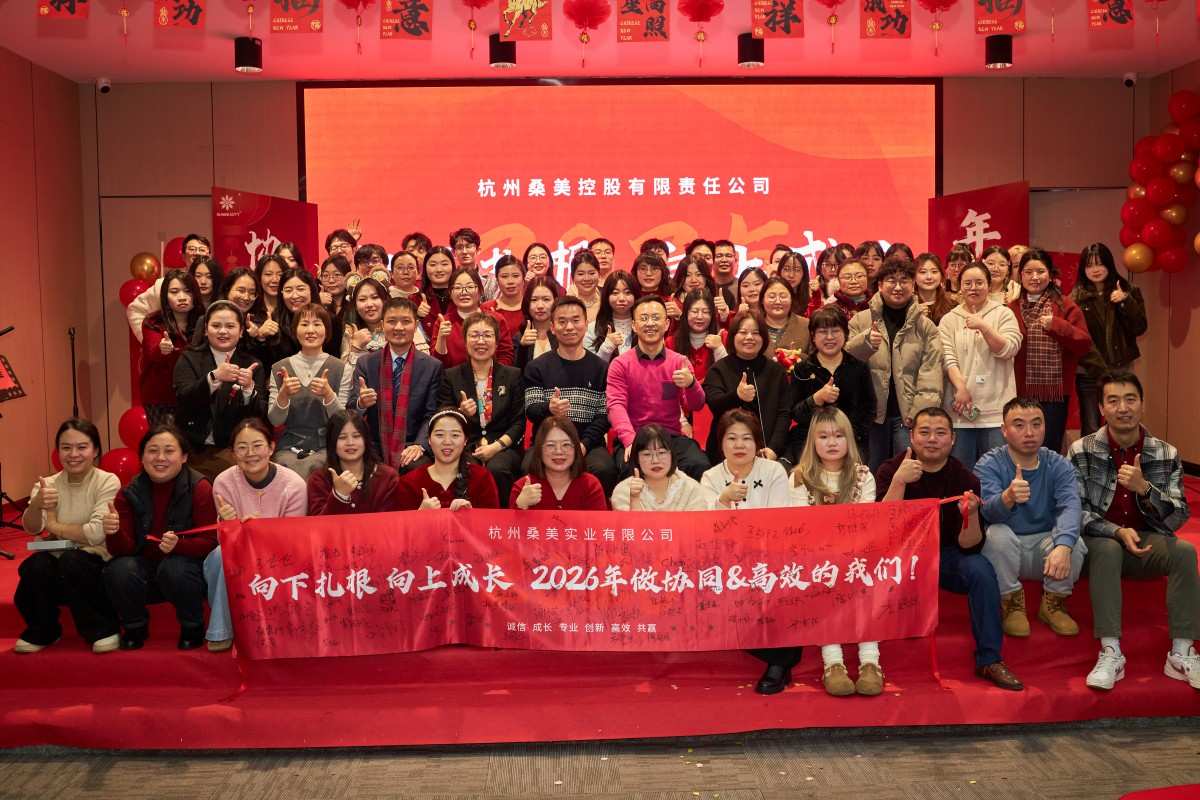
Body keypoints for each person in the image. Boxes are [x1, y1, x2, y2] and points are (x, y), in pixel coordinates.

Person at [1068, 371, 1199, 691]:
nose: (1123, 408)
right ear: (1101, 408)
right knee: (1109, 548)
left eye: (1130, 399)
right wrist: (1115, 531)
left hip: (1146, 543)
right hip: (1098, 546)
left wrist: (1145, 490)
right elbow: (1073, 511)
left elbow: (1178, 517)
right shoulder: (1081, 450)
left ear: (1142, 404)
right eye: (1113, 401)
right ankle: (1111, 652)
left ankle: (1181, 653)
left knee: (1184, 552)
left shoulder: (1166, 452)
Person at [877, 407, 1024, 690]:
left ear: (953, 439)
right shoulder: (891, 469)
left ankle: (990, 659)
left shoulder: (965, 479)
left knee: (980, 569)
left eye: (940, 433)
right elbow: (882, 531)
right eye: (924, 432)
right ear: (911, 436)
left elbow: (970, 546)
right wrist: (898, 482)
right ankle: (873, 660)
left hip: (947, 556)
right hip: (901, 558)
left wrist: (971, 516)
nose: (932, 439)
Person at [790, 407, 882, 697]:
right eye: (824, 436)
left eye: (839, 435)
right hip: (816, 557)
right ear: (812, 441)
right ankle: (833, 663)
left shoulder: (863, 476)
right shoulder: (799, 477)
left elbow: (865, 523)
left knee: (866, 579)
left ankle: (870, 661)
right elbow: (800, 526)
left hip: (855, 555)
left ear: (849, 439)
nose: (832, 442)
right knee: (823, 579)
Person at [976, 398, 1086, 638]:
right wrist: (1007, 497)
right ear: (1004, 430)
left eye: (1036, 424)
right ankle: (1011, 604)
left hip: (1044, 552)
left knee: (1074, 543)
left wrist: (1063, 546)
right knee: (995, 534)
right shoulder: (989, 464)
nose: (1029, 433)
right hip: (1005, 553)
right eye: (1019, 425)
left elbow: (1070, 507)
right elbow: (985, 512)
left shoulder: (1058, 464)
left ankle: (1053, 603)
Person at [105, 424, 217, 651]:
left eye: (169, 451)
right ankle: (135, 627)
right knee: (119, 569)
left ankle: (192, 626)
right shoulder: (129, 491)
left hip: (187, 570)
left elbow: (211, 541)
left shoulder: (199, 487)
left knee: (174, 568)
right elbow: (122, 550)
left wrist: (179, 546)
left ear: (184, 457)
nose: (160, 458)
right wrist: (113, 531)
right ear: (142, 456)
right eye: (153, 451)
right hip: (145, 566)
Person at [15, 419, 121, 655]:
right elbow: (32, 528)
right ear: (58, 451)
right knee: (34, 566)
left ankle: (102, 629)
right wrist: (36, 505)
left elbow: (95, 533)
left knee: (73, 561)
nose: (73, 454)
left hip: (94, 556)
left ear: (95, 450)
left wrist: (54, 525)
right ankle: (44, 631)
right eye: (66, 447)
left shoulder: (107, 480)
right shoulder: (47, 484)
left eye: (82, 447)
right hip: (56, 554)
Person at [204, 418, 307, 652]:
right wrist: (228, 524)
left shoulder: (294, 485)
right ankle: (221, 631)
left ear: (271, 448)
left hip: (280, 558)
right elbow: (223, 541)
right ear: (233, 454)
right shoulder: (223, 482)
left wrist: (259, 531)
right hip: (239, 554)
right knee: (219, 555)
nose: (250, 453)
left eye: (257, 445)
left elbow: (293, 541)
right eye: (242, 447)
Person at [845, 258, 944, 472]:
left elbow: (931, 374)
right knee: (870, 474)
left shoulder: (925, 326)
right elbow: (845, 364)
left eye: (904, 280)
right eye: (891, 280)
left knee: (908, 472)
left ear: (913, 285)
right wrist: (865, 343)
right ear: (880, 285)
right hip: (871, 416)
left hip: (907, 416)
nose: (898, 287)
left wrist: (919, 415)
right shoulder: (860, 321)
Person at [607, 295, 709, 479]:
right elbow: (615, 406)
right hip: (635, 436)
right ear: (634, 325)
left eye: (655, 318)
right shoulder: (620, 364)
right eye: (644, 318)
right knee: (628, 469)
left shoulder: (680, 362)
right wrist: (629, 440)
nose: (650, 323)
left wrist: (691, 384)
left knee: (699, 464)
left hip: (671, 437)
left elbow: (697, 404)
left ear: (667, 324)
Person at [524, 296, 617, 493]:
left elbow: (603, 417)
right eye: (562, 321)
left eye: (576, 320)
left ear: (586, 324)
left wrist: (583, 445)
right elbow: (531, 410)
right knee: (527, 466)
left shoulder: (601, 368)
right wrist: (549, 408)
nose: (569, 327)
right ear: (552, 327)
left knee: (604, 468)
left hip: (589, 443)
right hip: (546, 443)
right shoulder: (537, 367)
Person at [938, 263, 1022, 470]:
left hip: (997, 412)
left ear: (988, 285)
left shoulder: (1003, 314)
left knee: (998, 472)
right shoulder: (949, 320)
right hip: (960, 410)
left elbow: (1009, 349)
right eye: (967, 283)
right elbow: (947, 358)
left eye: (979, 283)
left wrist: (984, 327)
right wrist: (961, 388)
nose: (973, 288)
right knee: (961, 474)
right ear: (960, 286)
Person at [1009, 249, 1092, 455]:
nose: (1034, 277)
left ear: (1050, 274)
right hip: (1020, 391)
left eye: (1040, 271)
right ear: (1020, 275)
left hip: (1055, 394)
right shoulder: (1011, 308)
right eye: (1028, 272)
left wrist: (1057, 325)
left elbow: (1084, 344)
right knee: (1020, 446)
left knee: (1049, 448)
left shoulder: (1065, 306)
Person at [172, 300, 267, 479]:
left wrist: (249, 389)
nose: (223, 331)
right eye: (216, 326)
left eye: (230, 326)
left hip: (235, 448)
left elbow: (261, 415)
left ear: (241, 332)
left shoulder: (253, 365)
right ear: (205, 330)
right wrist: (213, 377)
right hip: (194, 447)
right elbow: (183, 399)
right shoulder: (189, 358)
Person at [438, 312, 525, 505]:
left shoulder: (513, 375)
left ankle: (503, 518)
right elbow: (442, 417)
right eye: (474, 335)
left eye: (487, 335)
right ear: (465, 341)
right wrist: (460, 413)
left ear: (496, 341)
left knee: (498, 468)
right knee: (468, 468)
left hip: (503, 445)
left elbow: (519, 422)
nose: (480, 341)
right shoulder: (451, 376)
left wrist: (496, 446)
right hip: (467, 445)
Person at [351, 297, 443, 474]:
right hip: (374, 444)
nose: (399, 327)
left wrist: (420, 444)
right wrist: (361, 404)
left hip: (412, 443)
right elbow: (351, 409)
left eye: (406, 321)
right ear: (382, 325)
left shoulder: (432, 366)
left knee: (416, 468)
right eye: (392, 321)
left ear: (416, 325)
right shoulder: (366, 363)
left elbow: (432, 414)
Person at [267, 303, 354, 479]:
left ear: (327, 331)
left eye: (317, 324)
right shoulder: (279, 368)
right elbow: (275, 420)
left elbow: (342, 421)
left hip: (327, 445)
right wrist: (283, 395)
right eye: (304, 324)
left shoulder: (341, 368)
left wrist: (328, 394)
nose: (310, 330)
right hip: (289, 446)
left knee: (317, 468)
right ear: (295, 330)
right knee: (284, 469)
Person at [1070, 243, 1148, 437]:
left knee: (1122, 420)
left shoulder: (1128, 290)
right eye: (1090, 265)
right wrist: (1098, 368)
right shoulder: (1075, 298)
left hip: (1120, 369)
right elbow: (1077, 339)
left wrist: (1125, 301)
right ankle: (1091, 458)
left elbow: (1140, 327)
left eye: (1100, 264)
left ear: (1109, 264)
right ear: (1083, 269)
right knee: (1091, 426)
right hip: (1088, 371)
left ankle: (1122, 456)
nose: (1095, 270)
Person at [703, 311, 792, 465]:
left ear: (763, 338)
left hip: (767, 451)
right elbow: (714, 404)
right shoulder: (718, 369)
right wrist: (736, 396)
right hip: (725, 454)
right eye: (743, 332)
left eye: (756, 333)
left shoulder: (776, 371)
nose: (749, 337)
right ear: (733, 336)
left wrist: (773, 448)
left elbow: (784, 413)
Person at [791, 308, 874, 463]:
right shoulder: (802, 369)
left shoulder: (859, 367)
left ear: (845, 334)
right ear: (813, 336)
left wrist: (847, 436)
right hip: (810, 446)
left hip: (853, 444)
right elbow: (795, 413)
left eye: (835, 331)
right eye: (823, 332)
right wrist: (816, 399)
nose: (829, 337)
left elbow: (869, 409)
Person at [398, 408, 501, 510]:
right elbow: (399, 520)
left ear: (465, 440)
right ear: (429, 439)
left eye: (455, 435)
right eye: (439, 435)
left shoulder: (482, 478)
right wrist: (420, 514)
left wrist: (470, 514)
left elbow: (493, 519)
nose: (447, 442)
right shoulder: (410, 482)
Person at [307, 410, 401, 515]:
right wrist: (339, 495)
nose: (350, 443)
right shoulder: (319, 479)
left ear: (366, 440)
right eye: (342, 437)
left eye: (356, 436)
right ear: (332, 442)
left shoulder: (387, 477)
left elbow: (392, 521)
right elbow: (319, 523)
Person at [140, 270, 202, 425]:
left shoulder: (204, 320)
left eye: (187, 291)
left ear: (195, 294)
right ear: (165, 297)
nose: (182, 297)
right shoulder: (153, 322)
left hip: (194, 395)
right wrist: (162, 349)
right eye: (174, 292)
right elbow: (152, 351)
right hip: (161, 397)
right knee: (165, 438)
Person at [125, 234, 212, 340]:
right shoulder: (165, 284)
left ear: (209, 255)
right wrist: (151, 341)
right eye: (192, 249)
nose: (197, 253)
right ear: (183, 256)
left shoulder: (218, 283)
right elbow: (135, 310)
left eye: (202, 249)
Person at [610, 424, 715, 511]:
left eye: (661, 453)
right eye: (647, 454)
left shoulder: (690, 489)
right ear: (636, 458)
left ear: (672, 455)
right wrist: (634, 499)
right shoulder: (623, 492)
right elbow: (631, 528)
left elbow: (697, 526)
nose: (655, 461)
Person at [701, 408, 791, 509]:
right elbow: (708, 518)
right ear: (721, 443)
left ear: (756, 443)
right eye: (732, 438)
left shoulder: (774, 472)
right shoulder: (710, 478)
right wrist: (724, 499)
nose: (739, 445)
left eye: (746, 438)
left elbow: (780, 516)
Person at [511, 418, 608, 510]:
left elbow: (599, 522)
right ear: (539, 450)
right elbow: (510, 522)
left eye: (566, 445)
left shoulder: (590, 485)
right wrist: (520, 505)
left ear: (576, 449)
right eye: (551, 445)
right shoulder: (522, 488)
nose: (559, 451)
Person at [432, 268, 514, 368]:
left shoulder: (496, 319)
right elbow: (437, 364)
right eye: (457, 288)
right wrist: (441, 339)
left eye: (470, 287)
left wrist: (492, 375)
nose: (464, 292)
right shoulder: (443, 322)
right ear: (450, 293)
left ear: (480, 290)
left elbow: (506, 355)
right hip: (454, 377)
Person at [244, 254, 291, 368]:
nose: (274, 280)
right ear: (259, 277)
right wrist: (260, 336)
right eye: (268, 274)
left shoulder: (292, 307)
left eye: (280, 274)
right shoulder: (250, 309)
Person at [586, 270, 636, 362]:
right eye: (615, 293)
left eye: (628, 292)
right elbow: (590, 367)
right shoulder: (593, 329)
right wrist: (606, 348)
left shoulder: (643, 325)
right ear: (606, 296)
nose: (621, 298)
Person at [341, 277, 389, 367]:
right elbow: (344, 374)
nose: (369, 304)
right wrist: (356, 347)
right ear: (355, 306)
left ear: (385, 300)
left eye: (375, 297)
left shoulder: (398, 328)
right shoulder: (350, 333)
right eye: (362, 299)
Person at [514, 276, 558, 369]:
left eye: (546, 299)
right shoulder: (519, 337)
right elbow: (516, 373)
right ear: (527, 303)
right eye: (534, 300)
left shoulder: (562, 333)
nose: (540, 306)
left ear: (555, 301)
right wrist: (523, 347)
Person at [760, 276, 809, 353]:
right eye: (772, 297)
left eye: (783, 296)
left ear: (791, 299)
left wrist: (797, 356)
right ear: (762, 300)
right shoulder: (755, 325)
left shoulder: (806, 325)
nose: (778, 301)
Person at [483, 254, 528, 338]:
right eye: (504, 276)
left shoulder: (532, 308)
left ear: (523, 278)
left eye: (515, 276)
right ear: (497, 280)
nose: (510, 281)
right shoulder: (487, 309)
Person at [450, 227, 498, 301]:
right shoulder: (450, 280)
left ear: (478, 250)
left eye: (468, 246)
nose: (464, 251)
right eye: (459, 247)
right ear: (453, 252)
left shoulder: (491, 281)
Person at [420, 246, 456, 334]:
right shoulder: (416, 298)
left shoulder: (462, 295)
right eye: (433, 265)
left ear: (453, 266)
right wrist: (417, 316)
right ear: (425, 268)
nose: (439, 270)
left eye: (444, 264)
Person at [913, 253, 956, 324]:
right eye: (923, 272)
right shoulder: (907, 307)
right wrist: (913, 317)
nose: (929, 277)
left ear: (941, 275)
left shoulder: (953, 306)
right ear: (914, 276)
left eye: (934, 272)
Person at [806, 246, 843, 317]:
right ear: (819, 266)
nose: (833, 269)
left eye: (837, 264)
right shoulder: (810, 289)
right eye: (828, 265)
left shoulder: (848, 289)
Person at [567, 249, 603, 321]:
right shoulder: (565, 306)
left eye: (592, 273)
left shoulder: (607, 304)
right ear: (572, 277)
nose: (587, 279)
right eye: (581, 274)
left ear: (599, 274)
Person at [712, 239, 739, 309]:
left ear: (735, 259)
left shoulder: (742, 286)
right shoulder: (706, 286)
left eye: (728, 256)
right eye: (719, 256)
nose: (724, 260)